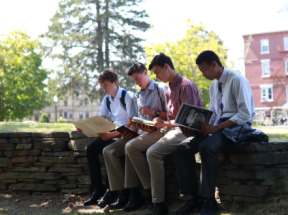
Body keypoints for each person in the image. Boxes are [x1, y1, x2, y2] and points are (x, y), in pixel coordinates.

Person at [172, 50, 255, 215]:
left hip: (236, 127)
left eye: (204, 70)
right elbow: (212, 112)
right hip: (217, 127)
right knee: (180, 149)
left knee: (206, 147)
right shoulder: (213, 86)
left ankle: (209, 201)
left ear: (214, 64)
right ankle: (194, 197)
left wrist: (217, 127)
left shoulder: (237, 80)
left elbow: (245, 114)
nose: (203, 74)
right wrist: (195, 125)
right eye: (201, 71)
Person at [125, 53, 203, 215]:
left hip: (184, 131)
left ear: (167, 67)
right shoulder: (170, 90)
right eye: (154, 73)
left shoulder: (185, 86)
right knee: (131, 146)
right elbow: (169, 117)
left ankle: (158, 203)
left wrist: (164, 123)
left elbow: (189, 122)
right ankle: (151, 187)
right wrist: (153, 125)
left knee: (153, 153)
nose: (156, 75)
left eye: (157, 71)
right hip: (168, 129)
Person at [102, 62, 168, 211]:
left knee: (130, 147)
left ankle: (140, 192)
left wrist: (153, 113)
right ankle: (122, 193)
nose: (137, 83)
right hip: (140, 132)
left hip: (159, 131)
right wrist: (127, 131)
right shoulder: (136, 96)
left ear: (146, 73)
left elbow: (171, 115)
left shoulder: (161, 89)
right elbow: (132, 123)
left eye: (138, 78)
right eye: (134, 81)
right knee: (109, 150)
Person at [79, 69, 133, 207]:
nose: (104, 89)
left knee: (108, 150)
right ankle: (99, 188)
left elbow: (130, 123)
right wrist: (84, 128)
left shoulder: (127, 96)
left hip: (126, 132)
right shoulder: (107, 99)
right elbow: (99, 120)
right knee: (90, 149)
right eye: (102, 86)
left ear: (115, 82)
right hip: (114, 130)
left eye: (106, 85)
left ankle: (112, 192)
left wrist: (111, 134)